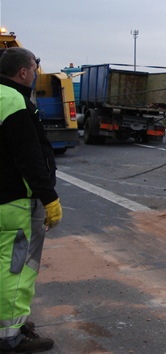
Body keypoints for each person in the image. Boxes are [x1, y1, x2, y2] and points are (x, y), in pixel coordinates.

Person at [0, 47, 62, 353]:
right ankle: (10, 335)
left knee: (4, 264)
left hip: (3, 199)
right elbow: (29, 156)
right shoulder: (14, 101)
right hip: (17, 201)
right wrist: (49, 197)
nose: (36, 74)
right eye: (34, 69)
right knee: (19, 268)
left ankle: (10, 319)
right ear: (23, 72)